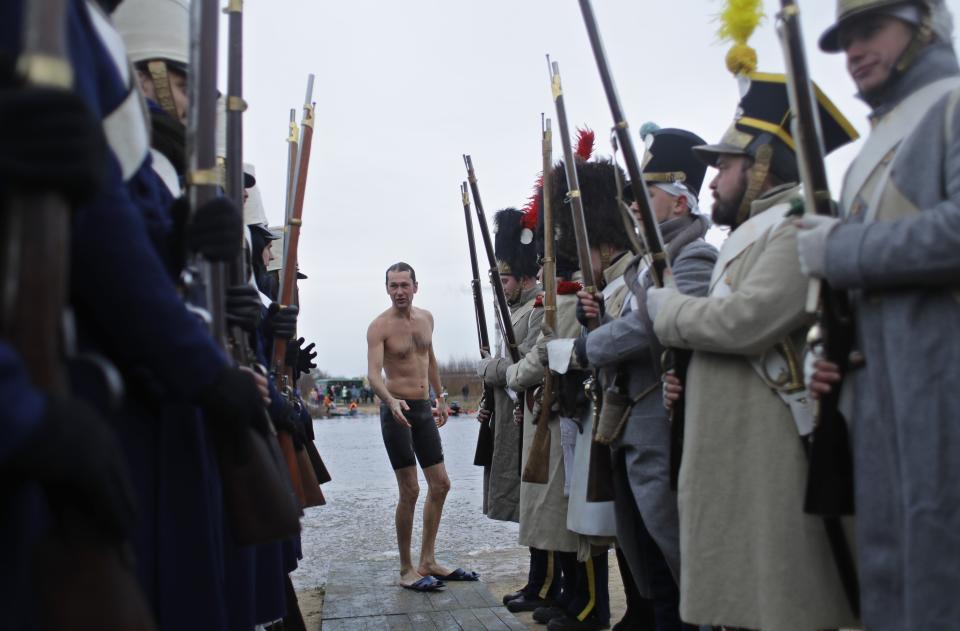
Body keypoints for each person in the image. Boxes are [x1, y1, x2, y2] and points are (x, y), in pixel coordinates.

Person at [646, 67, 859, 629]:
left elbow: (745, 323)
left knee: (783, 606)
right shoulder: (756, 231)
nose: (712, 180)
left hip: (773, 454)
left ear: (763, 164)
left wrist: (667, 311)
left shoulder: (799, 224)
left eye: (726, 165)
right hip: (737, 449)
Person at [799, 1, 960, 628]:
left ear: (923, 25)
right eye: (847, 38)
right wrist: (830, 350)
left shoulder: (950, 105)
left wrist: (843, 249)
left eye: (872, 30)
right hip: (876, 398)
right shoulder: (874, 146)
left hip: (943, 385)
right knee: (889, 578)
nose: (855, 50)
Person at [575, 126, 717, 631]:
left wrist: (587, 345)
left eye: (647, 194)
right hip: (634, 427)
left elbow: (652, 328)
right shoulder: (645, 268)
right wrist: (596, 325)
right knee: (649, 564)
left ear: (679, 203)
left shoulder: (694, 257)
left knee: (677, 560)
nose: (634, 205)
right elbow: (633, 330)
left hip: (665, 425)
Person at [366, 262, 476, 591]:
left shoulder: (427, 319)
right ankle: (406, 569)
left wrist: (440, 398)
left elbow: (429, 357)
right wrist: (389, 400)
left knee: (440, 484)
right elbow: (373, 375)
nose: (399, 291)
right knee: (410, 490)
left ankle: (428, 560)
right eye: (393, 285)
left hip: (423, 408)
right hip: (395, 409)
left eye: (404, 285)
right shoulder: (379, 327)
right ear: (386, 289)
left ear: (416, 286)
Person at [477, 206, 551, 611]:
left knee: (539, 505)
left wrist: (494, 370)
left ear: (524, 276)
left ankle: (545, 582)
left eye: (504, 278)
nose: (499, 285)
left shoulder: (538, 309)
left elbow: (531, 366)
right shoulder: (515, 311)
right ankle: (537, 579)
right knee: (528, 508)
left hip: (532, 416)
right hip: (509, 419)